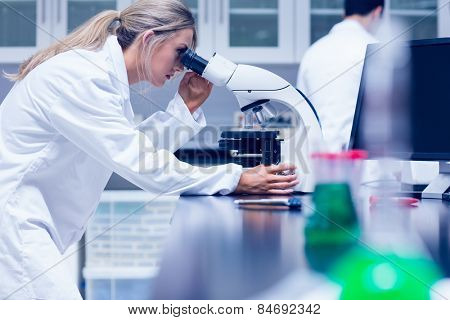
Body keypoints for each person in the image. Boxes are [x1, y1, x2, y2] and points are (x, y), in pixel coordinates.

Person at [0, 0, 298, 299]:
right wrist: (236, 179)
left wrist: (186, 106)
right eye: (181, 52)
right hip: (15, 223)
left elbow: (134, 148)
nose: (183, 65)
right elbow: (140, 163)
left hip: (30, 225)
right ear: (149, 39)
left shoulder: (103, 78)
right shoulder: (81, 77)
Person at [297, 0, 384, 151]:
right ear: (377, 12)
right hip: (364, 165)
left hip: (319, 162)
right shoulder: (377, 49)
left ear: (344, 13)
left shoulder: (312, 52)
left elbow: (302, 112)